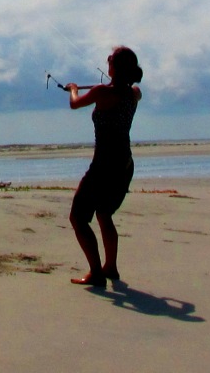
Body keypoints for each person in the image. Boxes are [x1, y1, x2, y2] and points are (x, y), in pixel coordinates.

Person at [65, 46, 142, 287]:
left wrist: (74, 89)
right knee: (104, 213)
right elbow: (130, 90)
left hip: (104, 166)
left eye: (109, 60)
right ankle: (110, 267)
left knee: (78, 217)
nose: (107, 62)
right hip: (124, 164)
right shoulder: (134, 93)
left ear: (114, 67)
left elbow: (75, 104)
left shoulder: (101, 92)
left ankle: (97, 272)